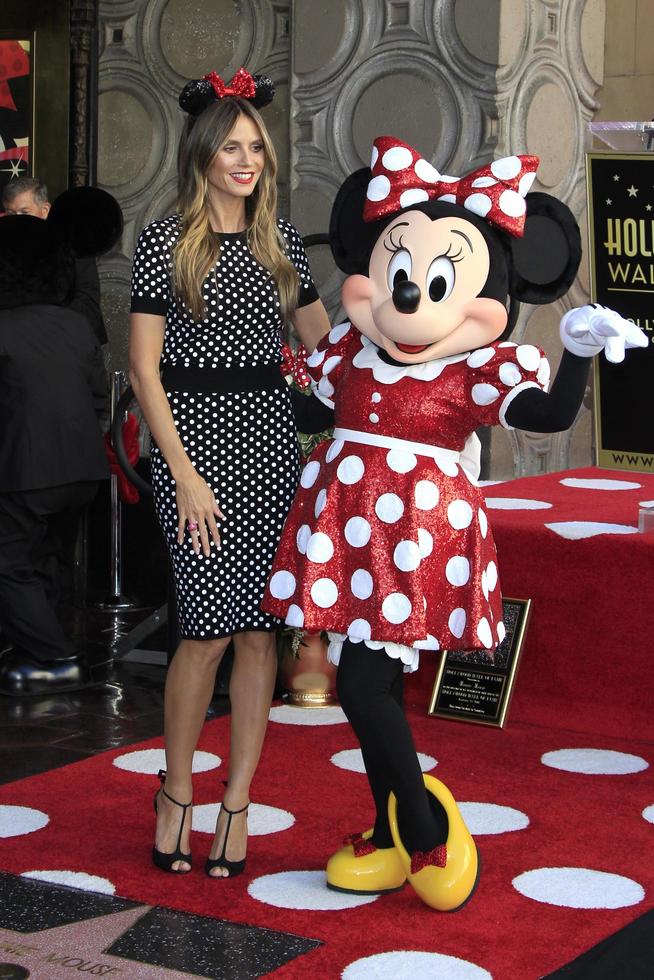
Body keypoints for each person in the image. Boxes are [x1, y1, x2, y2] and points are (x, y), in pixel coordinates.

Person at [262, 136, 647, 910]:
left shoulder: (475, 368)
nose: (408, 297)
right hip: (347, 535)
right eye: (398, 273)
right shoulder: (350, 350)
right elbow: (308, 404)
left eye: (436, 281)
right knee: (370, 692)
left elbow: (546, 412)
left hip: (414, 545)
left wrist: (574, 355)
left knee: (366, 686)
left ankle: (430, 825)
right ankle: (384, 826)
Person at [128, 67, 329, 878]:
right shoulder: (165, 241)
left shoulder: (279, 245)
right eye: (231, 147)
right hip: (196, 455)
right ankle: (176, 788)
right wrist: (182, 473)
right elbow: (144, 371)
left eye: (256, 148)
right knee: (203, 636)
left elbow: (327, 348)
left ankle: (237, 798)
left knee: (258, 636)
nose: (246, 160)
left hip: (273, 451)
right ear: (203, 153)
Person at [0, 215, 110, 696]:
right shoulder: (75, 325)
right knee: (48, 561)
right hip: (83, 469)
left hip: (24, 467)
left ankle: (55, 656)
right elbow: (97, 398)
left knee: (7, 564)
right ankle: (35, 650)